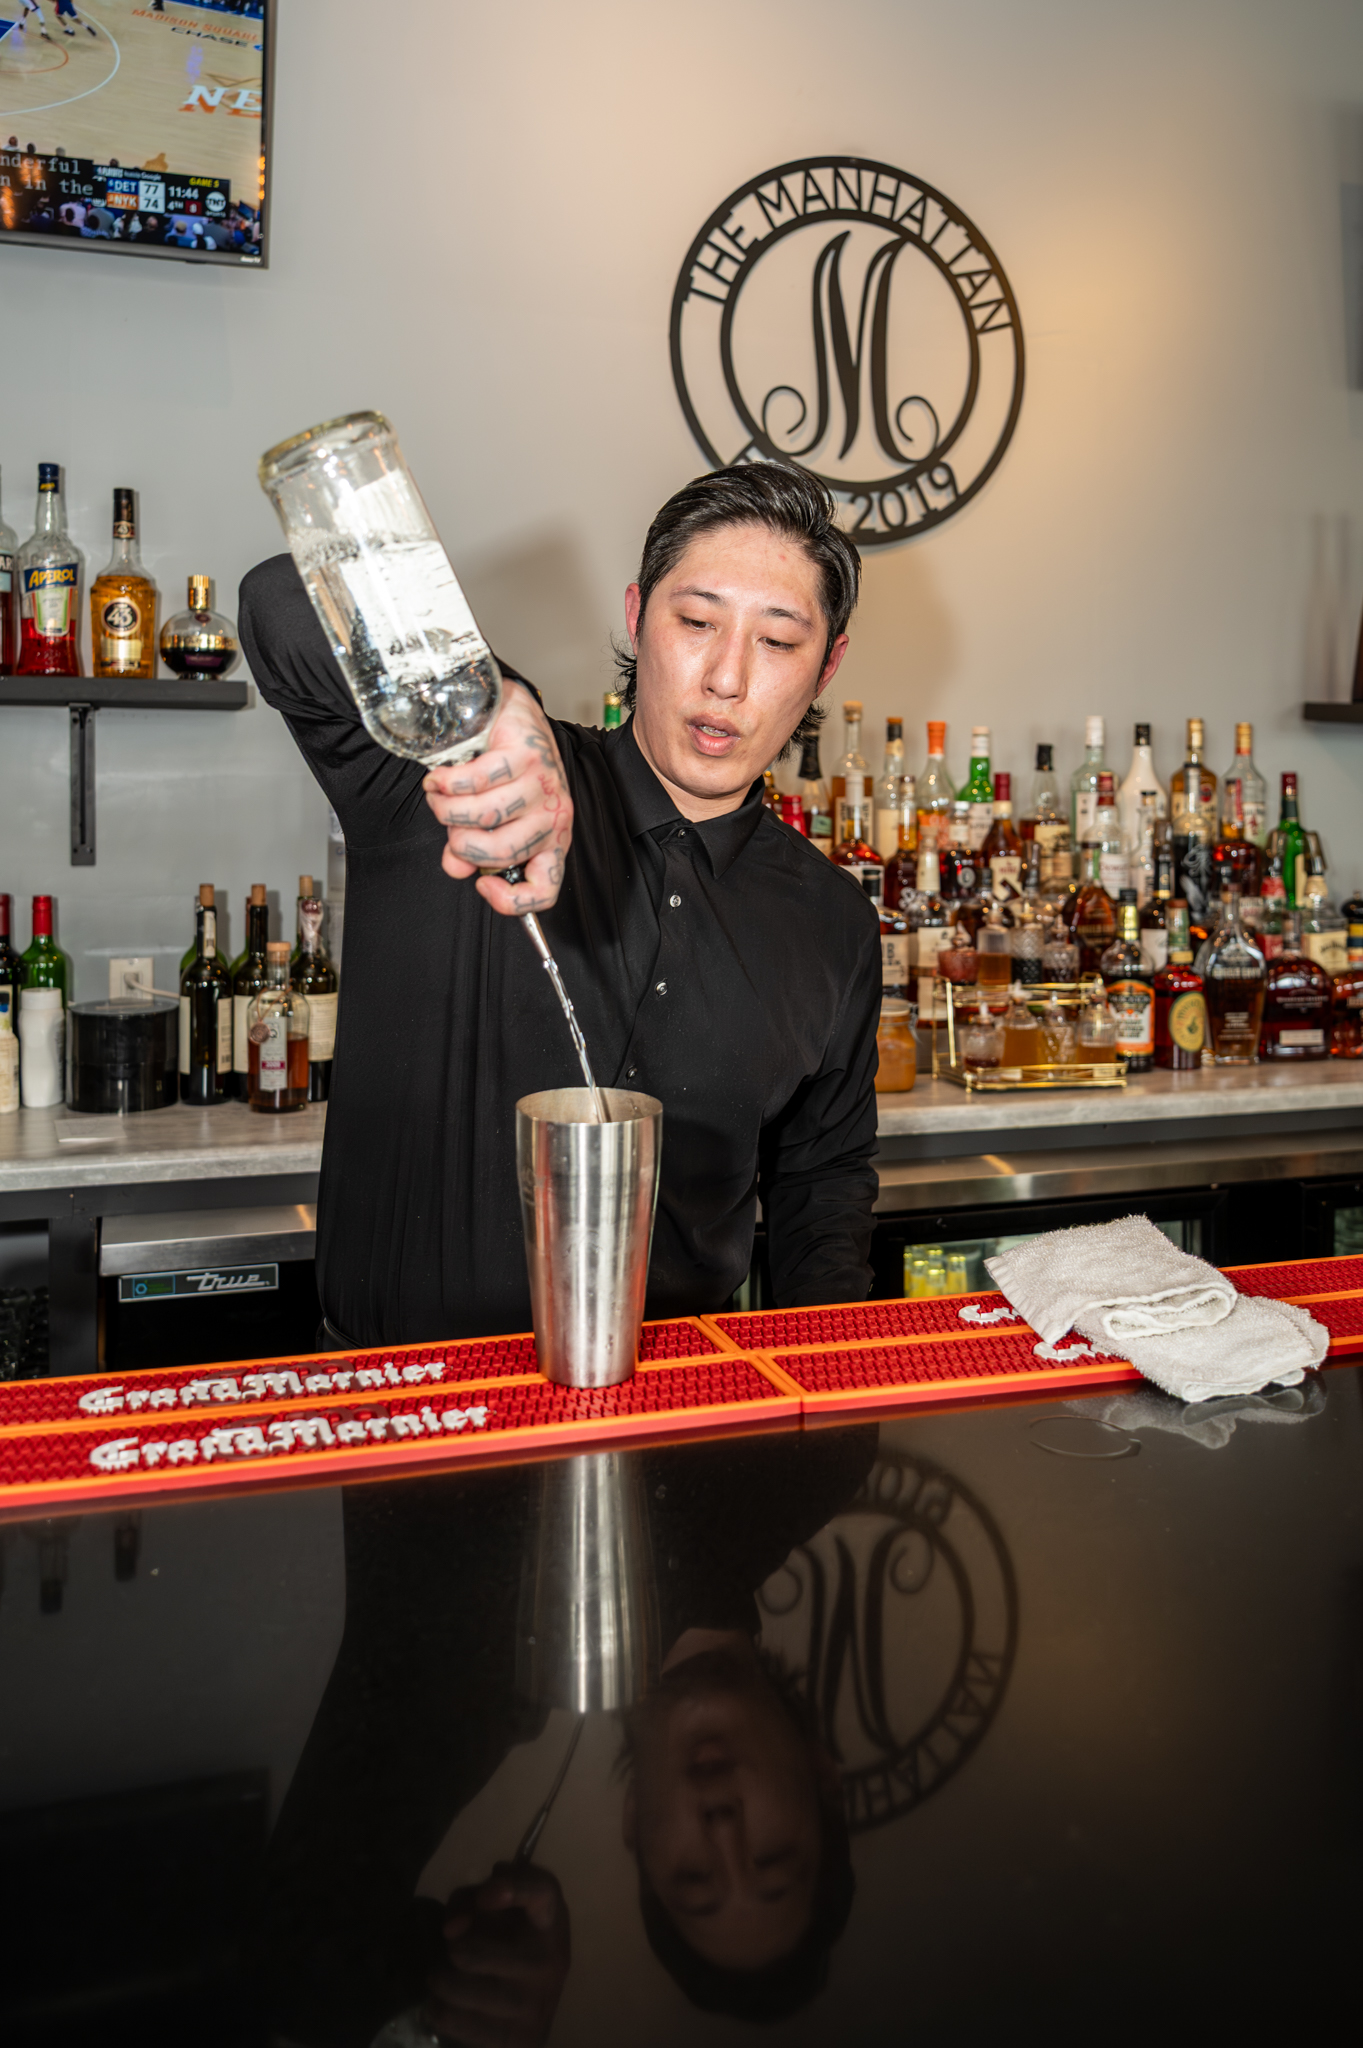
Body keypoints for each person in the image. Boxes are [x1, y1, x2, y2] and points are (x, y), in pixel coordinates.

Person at [239, 462, 880, 1345]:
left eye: (777, 642)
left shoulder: (832, 920)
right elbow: (282, 602)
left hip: (679, 1414)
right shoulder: (468, 774)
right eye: (695, 622)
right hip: (408, 1409)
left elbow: (822, 1181)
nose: (726, 678)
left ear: (827, 665)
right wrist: (489, 696)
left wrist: (834, 1380)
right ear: (635, 616)